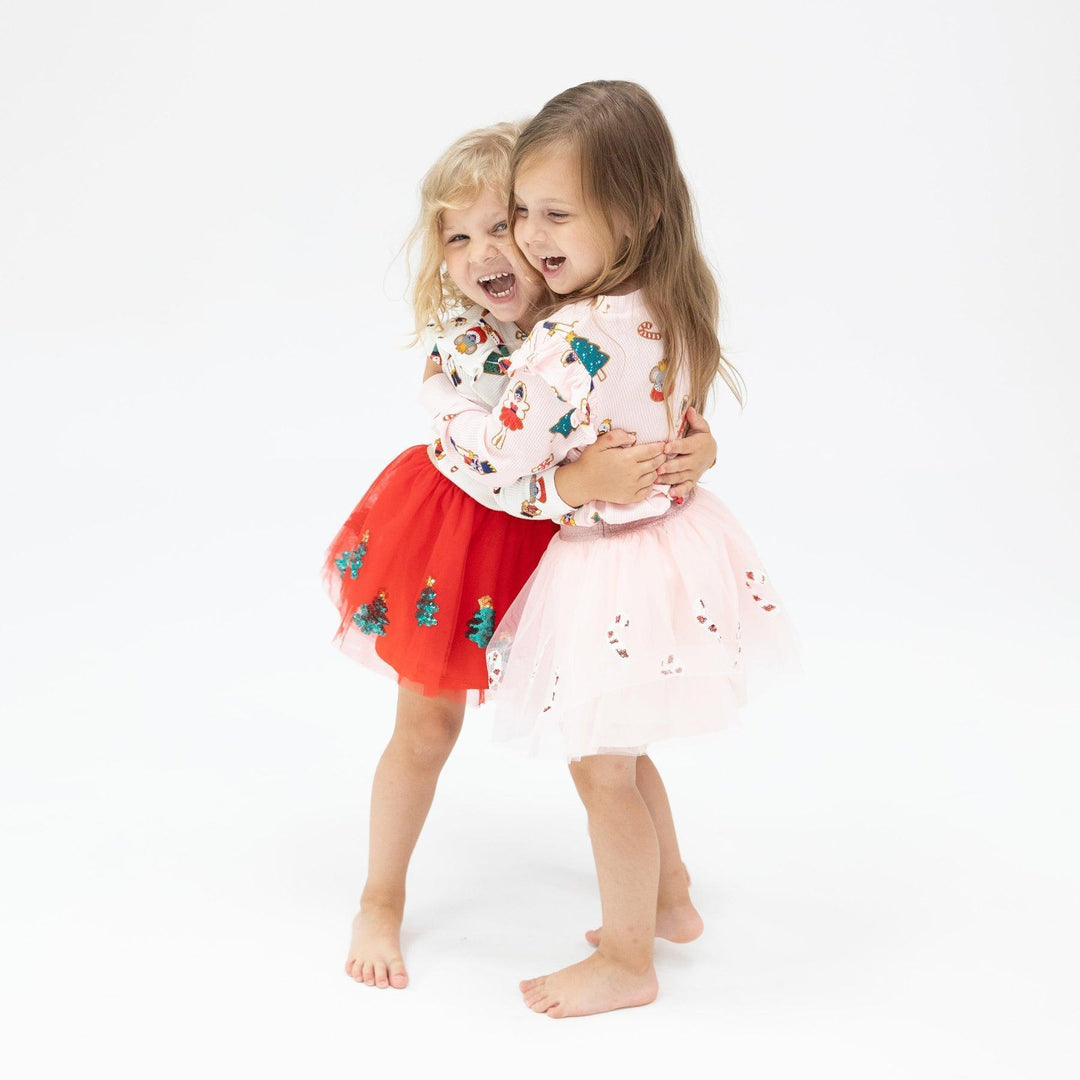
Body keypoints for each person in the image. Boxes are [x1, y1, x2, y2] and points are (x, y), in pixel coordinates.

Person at [420, 82, 798, 1017]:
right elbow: (679, 421)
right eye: (521, 214)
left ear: (636, 211)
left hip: (611, 565)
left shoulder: (568, 338)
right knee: (622, 752)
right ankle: (668, 900)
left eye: (557, 214)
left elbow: (502, 459)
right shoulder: (662, 300)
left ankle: (629, 959)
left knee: (600, 770)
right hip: (674, 543)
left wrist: (443, 424)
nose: (531, 238)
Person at [323, 121, 719, 990]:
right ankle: (380, 898)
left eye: (503, 224)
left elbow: (652, 400)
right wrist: (575, 487)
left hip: (575, 552)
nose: (485, 252)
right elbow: (490, 470)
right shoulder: (465, 341)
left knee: (610, 737)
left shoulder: (592, 314)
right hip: (462, 535)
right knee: (426, 726)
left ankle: (670, 892)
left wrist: (699, 448)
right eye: (455, 237)